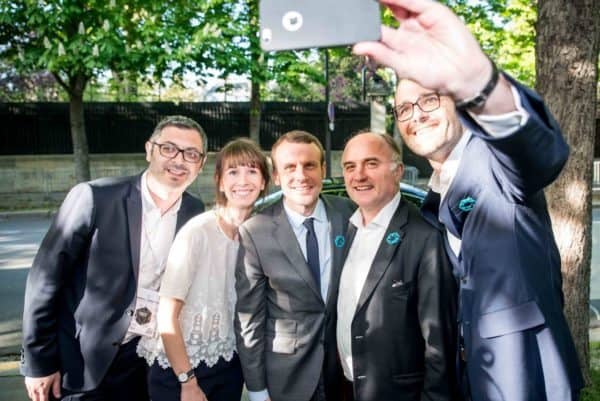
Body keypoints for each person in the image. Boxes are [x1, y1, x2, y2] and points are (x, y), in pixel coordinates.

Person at [353, 0, 584, 400]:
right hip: (471, 379)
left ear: (457, 104)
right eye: (403, 109)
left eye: (429, 100)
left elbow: (541, 153)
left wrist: (479, 82)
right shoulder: (432, 199)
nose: (416, 115)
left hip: (528, 376)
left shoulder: (495, 160)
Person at [21, 115, 207, 401]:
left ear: (201, 164)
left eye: (191, 153)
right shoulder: (95, 197)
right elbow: (44, 280)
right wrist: (38, 363)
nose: (179, 160)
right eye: (169, 148)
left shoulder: (194, 210)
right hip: (83, 362)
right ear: (149, 150)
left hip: (147, 362)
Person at [136, 138, 270, 401]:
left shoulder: (257, 234)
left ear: (264, 181)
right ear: (220, 181)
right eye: (233, 172)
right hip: (181, 371)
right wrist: (187, 382)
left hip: (229, 366)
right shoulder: (198, 232)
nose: (243, 181)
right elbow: (167, 315)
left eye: (252, 171)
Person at [234, 130, 355, 401]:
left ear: (323, 170)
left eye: (309, 165)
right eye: (290, 167)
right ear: (276, 176)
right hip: (287, 378)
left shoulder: (348, 214)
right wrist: (256, 390)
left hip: (343, 374)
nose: (301, 175)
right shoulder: (256, 231)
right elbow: (249, 319)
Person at [337, 132, 457, 401]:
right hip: (347, 388)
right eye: (350, 166)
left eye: (371, 163)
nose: (358, 175)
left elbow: (439, 342)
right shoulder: (347, 229)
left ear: (398, 171)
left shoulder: (425, 237)